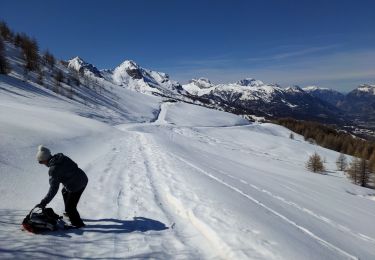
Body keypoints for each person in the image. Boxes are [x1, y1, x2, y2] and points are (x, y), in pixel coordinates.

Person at [36, 145, 88, 228]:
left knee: (70, 208)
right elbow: (72, 166)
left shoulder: (53, 170)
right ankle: (69, 213)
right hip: (83, 177)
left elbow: (53, 189)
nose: (42, 164)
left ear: (45, 159)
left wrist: (44, 202)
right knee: (64, 191)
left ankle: (78, 224)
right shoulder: (61, 158)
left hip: (76, 185)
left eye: (41, 162)